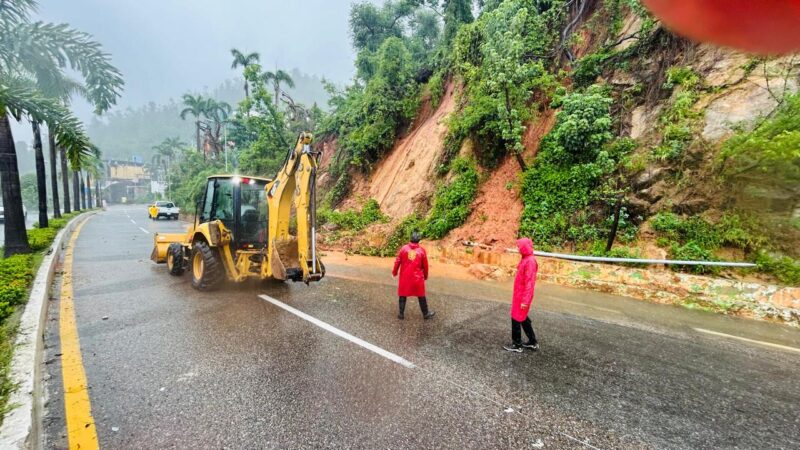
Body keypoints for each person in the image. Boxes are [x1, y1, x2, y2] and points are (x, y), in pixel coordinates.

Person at [504, 238, 539, 353]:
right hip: (519, 294)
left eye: (520, 247)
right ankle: (533, 342)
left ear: (525, 247)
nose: (518, 249)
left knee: (516, 317)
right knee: (523, 318)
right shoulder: (526, 259)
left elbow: (530, 283)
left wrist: (525, 300)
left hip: (522, 296)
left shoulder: (530, 261)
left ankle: (517, 345)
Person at [392, 231, 435, 320]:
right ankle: (426, 313)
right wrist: (425, 276)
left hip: (405, 277)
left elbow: (397, 261)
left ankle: (401, 314)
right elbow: (425, 266)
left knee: (402, 294)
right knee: (421, 295)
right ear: (419, 240)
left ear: (410, 239)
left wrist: (394, 272)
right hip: (417, 278)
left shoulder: (404, 248)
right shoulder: (422, 251)